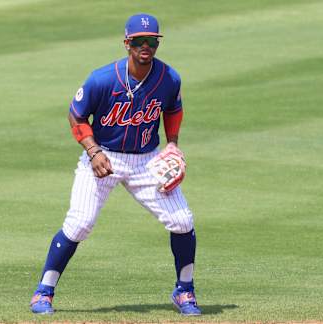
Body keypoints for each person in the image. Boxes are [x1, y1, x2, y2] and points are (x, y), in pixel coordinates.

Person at [30, 13, 201, 316]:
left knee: (183, 221)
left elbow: (173, 109)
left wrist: (172, 143)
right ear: (127, 43)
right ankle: (44, 291)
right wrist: (93, 151)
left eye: (151, 41)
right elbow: (76, 116)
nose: (145, 46)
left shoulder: (169, 78)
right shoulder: (102, 79)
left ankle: (184, 291)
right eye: (138, 41)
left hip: (147, 161)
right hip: (104, 156)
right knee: (79, 223)